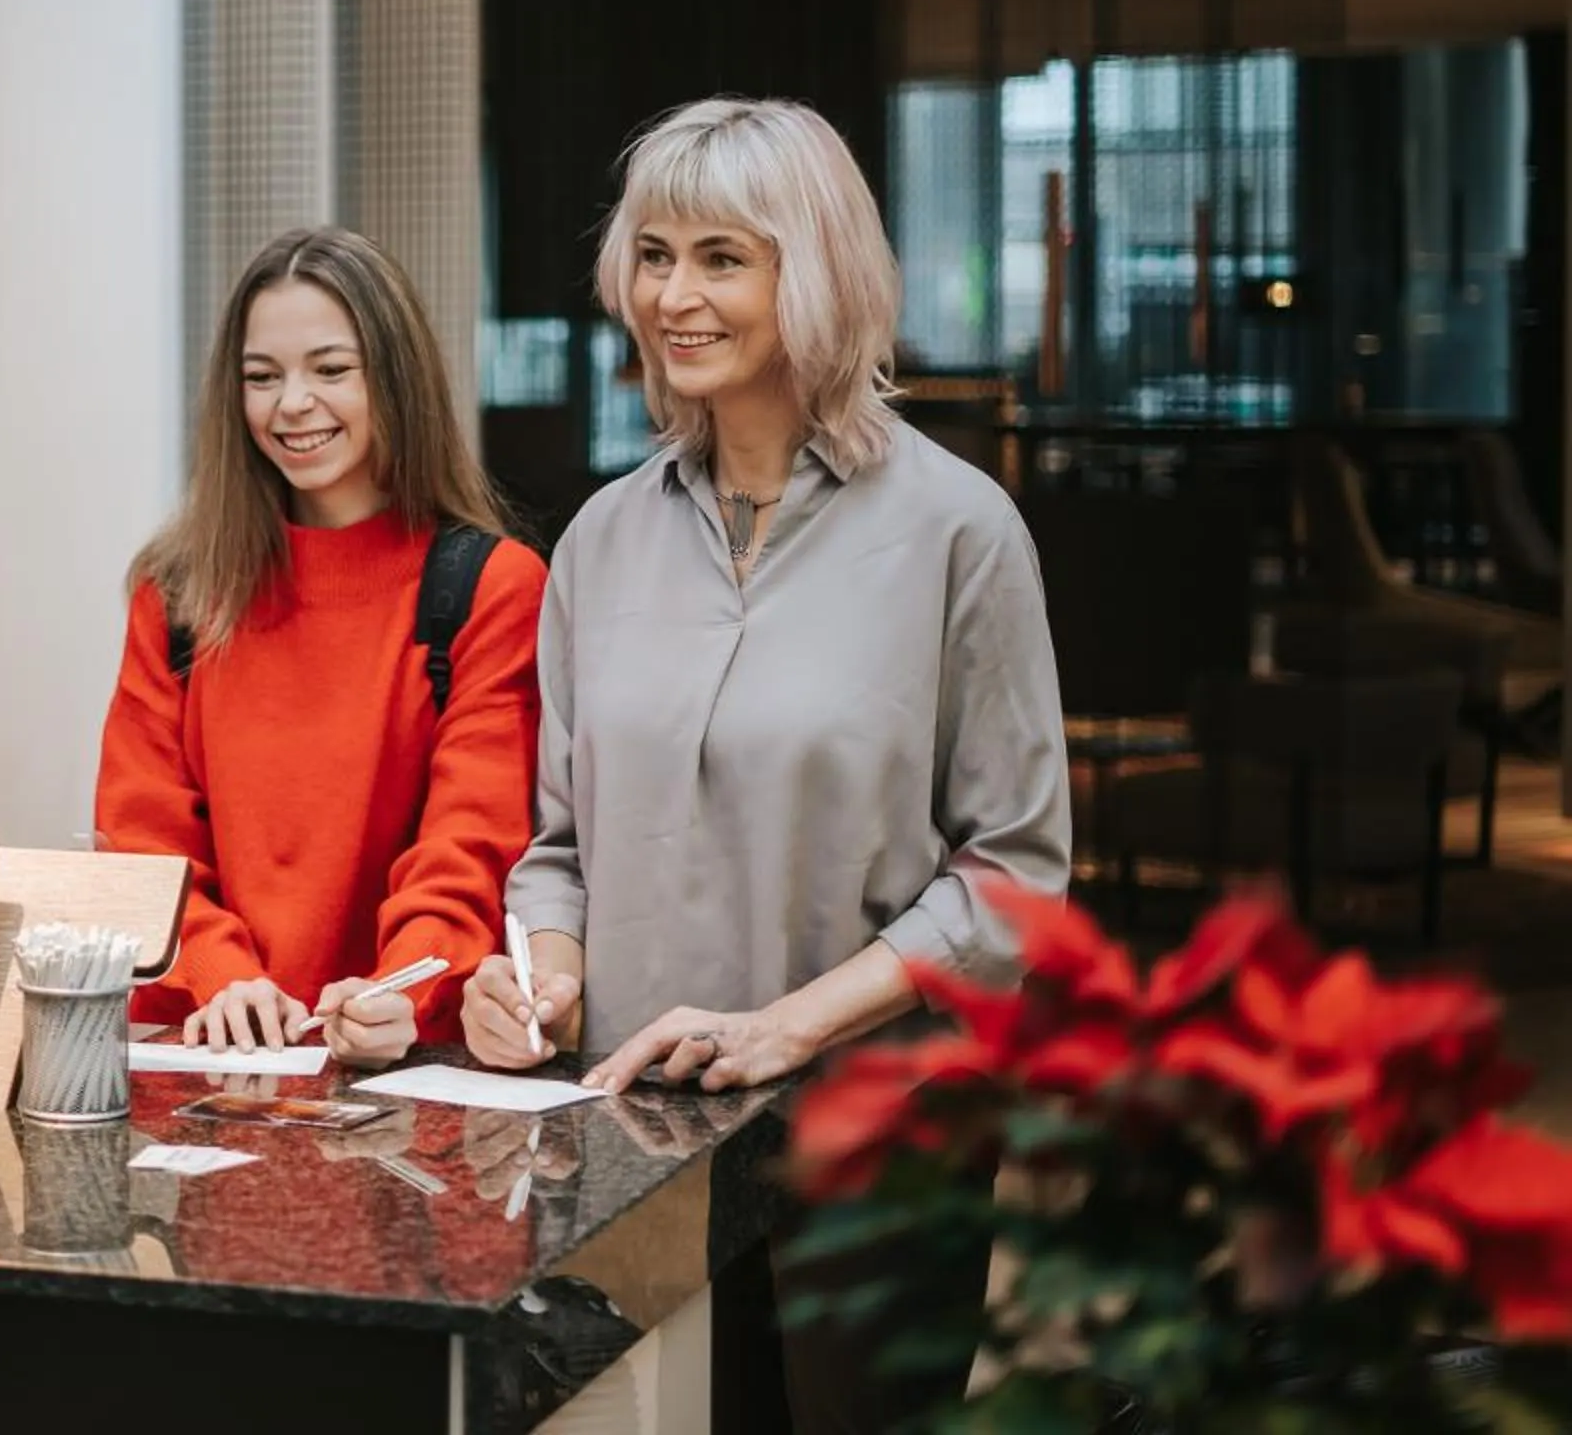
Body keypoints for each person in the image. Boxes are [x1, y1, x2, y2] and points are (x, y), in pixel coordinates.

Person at [458, 96, 1072, 1432]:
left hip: (881, 1146)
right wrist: (541, 982)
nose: (675, 294)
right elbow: (558, 850)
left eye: (723, 257)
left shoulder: (961, 533)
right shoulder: (603, 542)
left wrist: (783, 1028)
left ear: (820, 271)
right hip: (635, 1158)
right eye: (656, 255)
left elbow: (1014, 881)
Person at [95, 226, 541, 1067]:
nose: (292, 403)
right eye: (262, 378)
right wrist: (220, 974)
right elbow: (142, 837)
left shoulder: (491, 584)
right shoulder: (179, 589)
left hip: (401, 1059)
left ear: (395, 379)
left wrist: (397, 989)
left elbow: (474, 840)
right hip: (201, 1048)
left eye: (331, 370)